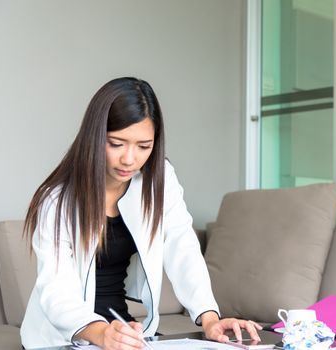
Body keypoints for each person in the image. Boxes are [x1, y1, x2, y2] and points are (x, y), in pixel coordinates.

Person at [20, 77, 262, 349]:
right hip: (64, 337)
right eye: (116, 143)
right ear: (94, 137)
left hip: (122, 330)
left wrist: (208, 318)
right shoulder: (58, 200)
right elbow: (56, 289)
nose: (129, 159)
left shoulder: (158, 180)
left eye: (143, 146)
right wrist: (100, 334)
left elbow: (181, 245)